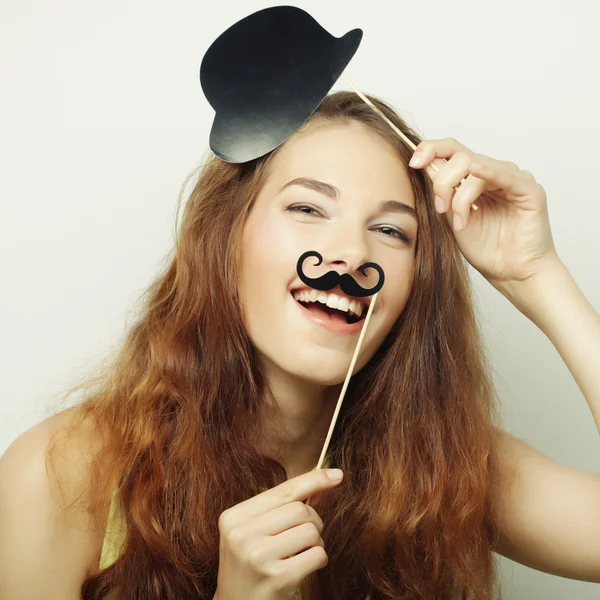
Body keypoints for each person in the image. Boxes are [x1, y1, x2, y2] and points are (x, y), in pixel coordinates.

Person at [1, 91, 599, 600]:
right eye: (307, 208)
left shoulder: (444, 462)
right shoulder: (59, 478)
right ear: (225, 238)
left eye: (390, 230)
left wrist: (537, 276)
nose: (350, 256)